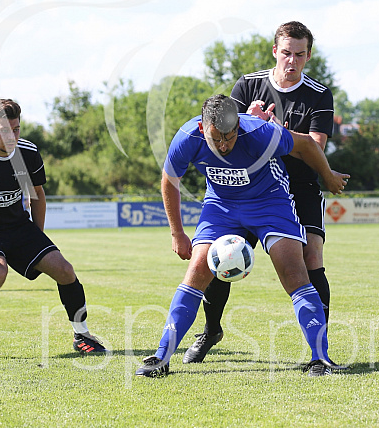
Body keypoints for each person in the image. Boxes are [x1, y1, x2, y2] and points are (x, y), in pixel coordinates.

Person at [135, 94, 349, 378]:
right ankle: (161, 357)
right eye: (216, 138)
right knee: (197, 271)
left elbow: (307, 144)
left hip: (270, 202)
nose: (224, 145)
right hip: (221, 206)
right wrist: (177, 233)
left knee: (294, 273)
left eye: (230, 136)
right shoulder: (188, 136)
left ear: (238, 125)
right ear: (203, 128)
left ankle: (320, 359)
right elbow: (169, 180)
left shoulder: (260, 132)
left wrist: (328, 176)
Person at [183, 21, 338, 364]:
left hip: (300, 185)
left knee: (311, 258)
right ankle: (211, 330)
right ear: (275, 51)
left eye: (299, 54)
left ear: (308, 56)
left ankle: (318, 353)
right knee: (220, 257)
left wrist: (266, 129)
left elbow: (315, 146)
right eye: (286, 53)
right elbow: (227, 132)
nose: (291, 61)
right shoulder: (248, 84)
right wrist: (250, 124)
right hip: (252, 186)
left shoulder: (318, 94)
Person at [0, 99, 107, 360]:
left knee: (65, 270)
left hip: (18, 225)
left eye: (16, 129)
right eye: (5, 130)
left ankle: (82, 335)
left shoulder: (27, 153)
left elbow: (37, 194)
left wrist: (38, 236)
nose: (12, 136)